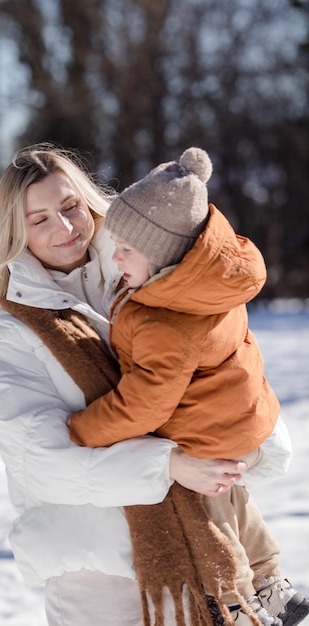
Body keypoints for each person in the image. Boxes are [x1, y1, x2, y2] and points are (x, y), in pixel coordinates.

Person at [0, 144, 299, 626]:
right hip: (96, 579)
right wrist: (170, 464)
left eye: (70, 208)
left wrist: (240, 444)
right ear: (15, 231)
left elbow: (229, 369)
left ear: (89, 203)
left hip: (200, 561)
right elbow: (42, 461)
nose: (64, 228)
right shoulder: (9, 339)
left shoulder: (154, 279)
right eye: (39, 219)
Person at [67, 147, 309, 626]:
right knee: (237, 496)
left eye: (127, 250)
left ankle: (236, 601)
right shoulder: (209, 286)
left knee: (210, 515)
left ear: (162, 257)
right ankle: (273, 582)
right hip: (238, 417)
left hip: (204, 431)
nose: (115, 259)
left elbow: (144, 405)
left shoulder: (165, 322)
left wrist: (84, 429)